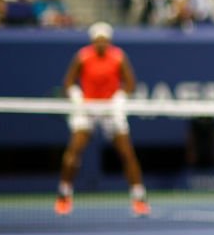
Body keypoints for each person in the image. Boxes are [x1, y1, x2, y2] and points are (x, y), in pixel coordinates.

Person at [55, 22, 150, 217]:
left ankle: (139, 197)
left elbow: (130, 84)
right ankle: (64, 195)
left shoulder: (118, 57)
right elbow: (68, 83)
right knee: (73, 151)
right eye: (98, 41)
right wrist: (77, 97)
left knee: (126, 152)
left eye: (104, 41)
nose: (101, 44)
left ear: (109, 41)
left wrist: (119, 98)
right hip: (87, 107)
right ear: (92, 41)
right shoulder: (82, 57)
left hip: (110, 109)